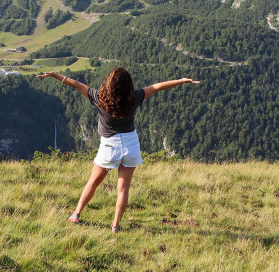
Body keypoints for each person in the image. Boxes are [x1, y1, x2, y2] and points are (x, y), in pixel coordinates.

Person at [38, 67, 200, 233]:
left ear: (109, 84)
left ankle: (76, 214)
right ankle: (115, 225)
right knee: (123, 189)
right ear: (128, 85)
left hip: (109, 146)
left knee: (93, 182)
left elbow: (77, 85)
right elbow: (157, 86)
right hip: (131, 145)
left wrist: (56, 76)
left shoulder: (99, 98)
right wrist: (181, 81)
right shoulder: (135, 98)